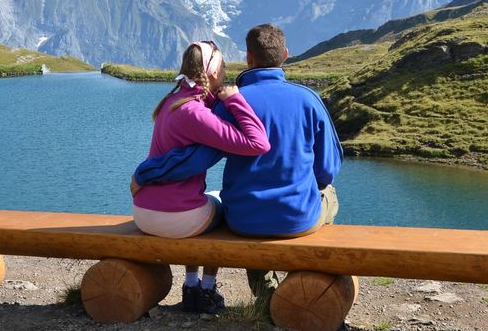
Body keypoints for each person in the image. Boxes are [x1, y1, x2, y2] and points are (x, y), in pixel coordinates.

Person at [132, 24, 343, 303]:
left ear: (248, 58)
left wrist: (146, 174)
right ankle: (305, 279)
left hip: (243, 219)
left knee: (245, 210)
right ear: (286, 55)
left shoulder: (227, 104)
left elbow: (196, 160)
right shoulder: (309, 99)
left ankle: (265, 289)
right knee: (330, 194)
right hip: (297, 217)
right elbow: (327, 169)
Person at [133, 40, 270, 314]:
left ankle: (190, 285)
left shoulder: (172, 101)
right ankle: (205, 290)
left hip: (143, 211)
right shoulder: (194, 112)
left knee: (204, 203)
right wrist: (234, 100)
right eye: (222, 68)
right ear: (211, 72)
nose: (225, 74)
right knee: (225, 206)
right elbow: (258, 143)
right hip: (173, 219)